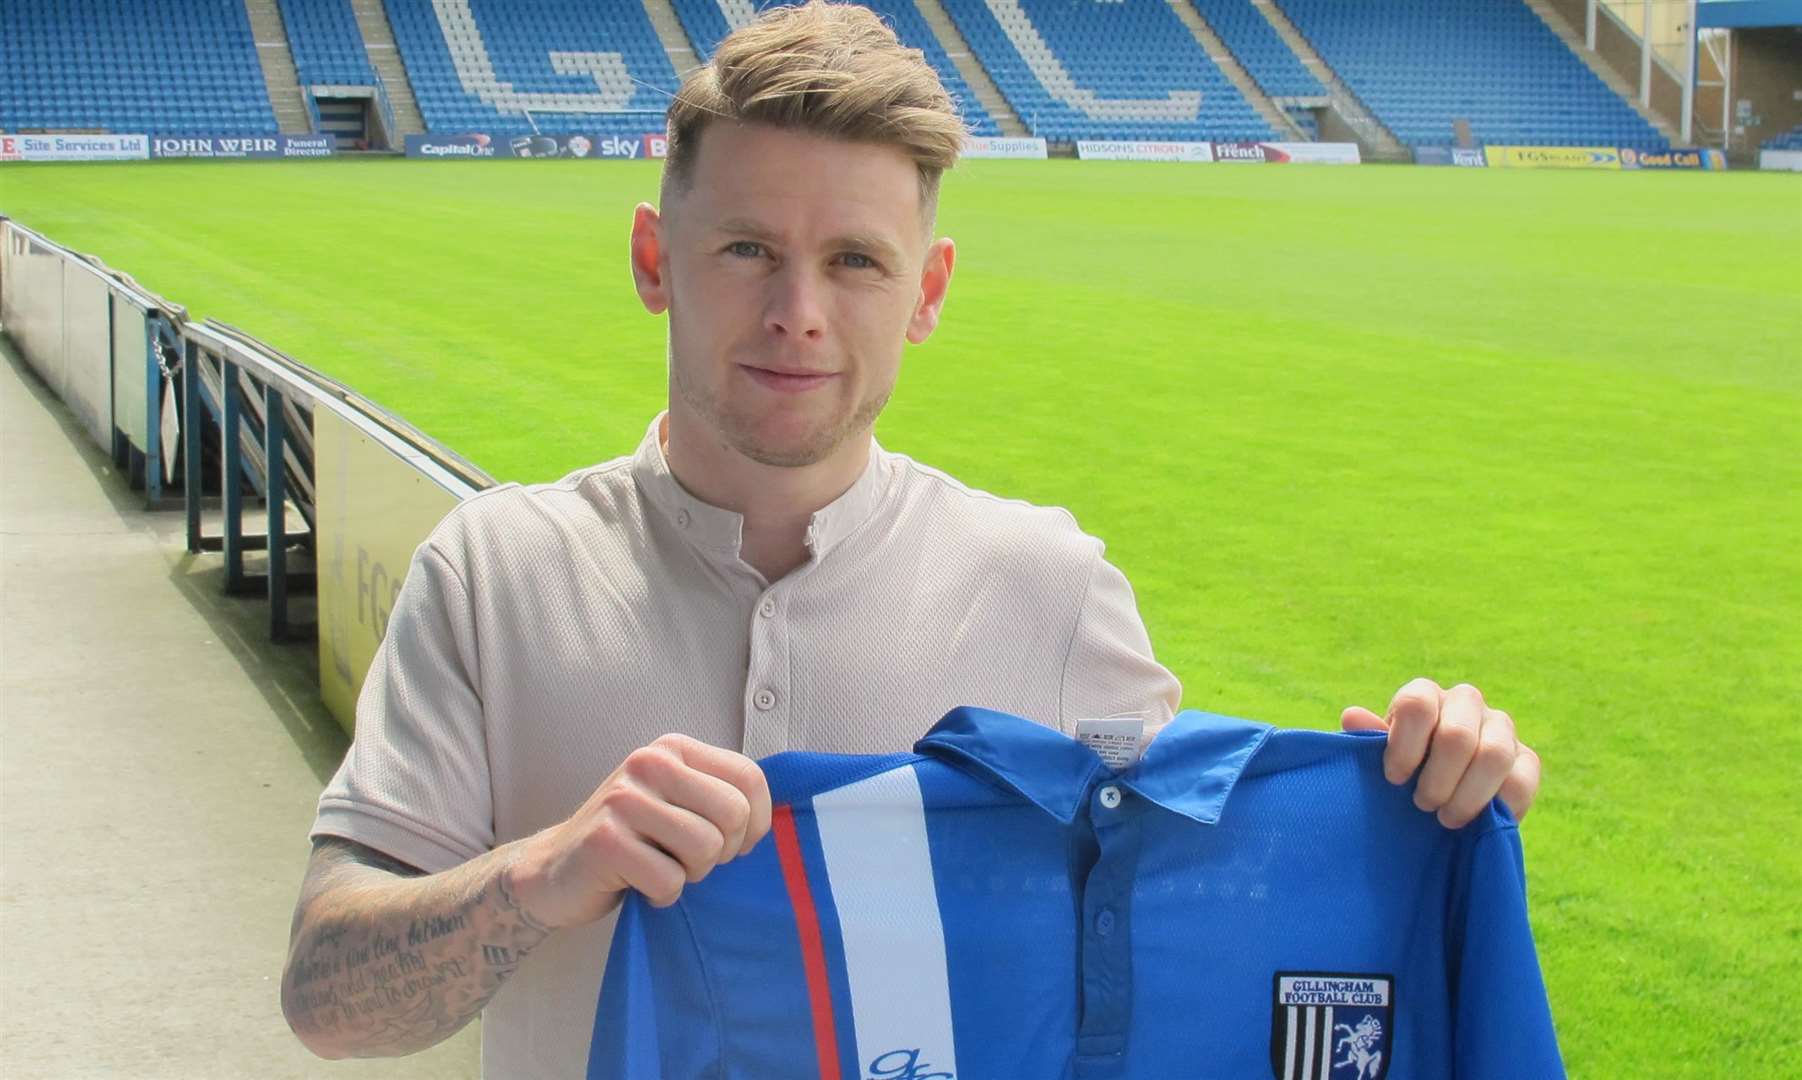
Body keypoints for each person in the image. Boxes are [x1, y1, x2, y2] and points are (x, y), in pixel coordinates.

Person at [280, 4, 1541, 1077]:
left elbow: (1186, 921)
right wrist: (545, 873)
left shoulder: (1048, 589)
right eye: (746, 250)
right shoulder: (496, 570)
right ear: (653, 257)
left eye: (854, 263)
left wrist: (1430, 800)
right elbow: (325, 992)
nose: (797, 314)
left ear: (927, 292)